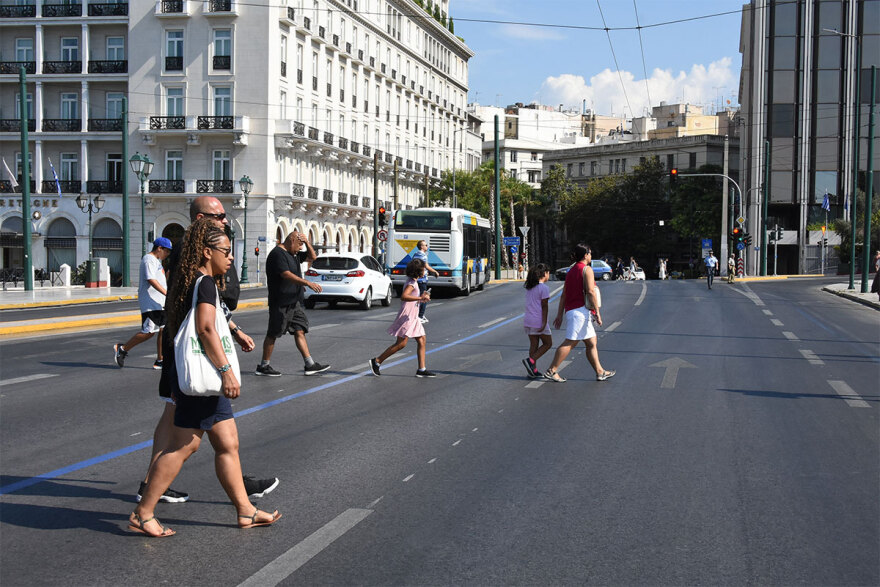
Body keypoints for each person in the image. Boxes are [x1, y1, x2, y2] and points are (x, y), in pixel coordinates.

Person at [129, 220, 281, 537]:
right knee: (184, 447)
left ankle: (245, 511)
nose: (230, 257)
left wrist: (235, 334)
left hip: (204, 380)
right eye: (226, 251)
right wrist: (226, 371)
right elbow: (206, 329)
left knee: (228, 443)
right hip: (206, 381)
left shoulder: (192, 281)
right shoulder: (205, 284)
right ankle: (143, 513)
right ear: (207, 251)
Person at [257, 230, 330, 377]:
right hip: (281, 301)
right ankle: (264, 366)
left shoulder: (294, 254)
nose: (301, 248)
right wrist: (307, 282)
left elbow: (312, 257)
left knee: (299, 330)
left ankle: (309, 364)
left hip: (294, 301)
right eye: (299, 244)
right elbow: (286, 274)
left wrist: (307, 242)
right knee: (274, 333)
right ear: (291, 241)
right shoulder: (277, 254)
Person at [544, 244, 615, 383]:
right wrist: (598, 313)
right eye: (590, 253)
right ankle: (552, 370)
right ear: (585, 255)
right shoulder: (586, 270)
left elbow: (563, 295)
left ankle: (600, 372)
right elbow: (590, 292)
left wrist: (560, 314)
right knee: (571, 342)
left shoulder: (571, 271)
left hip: (573, 311)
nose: (591, 255)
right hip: (581, 312)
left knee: (591, 342)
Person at [369, 258, 436, 378]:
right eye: (423, 269)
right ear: (418, 271)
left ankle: (422, 369)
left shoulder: (413, 281)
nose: (425, 271)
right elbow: (404, 296)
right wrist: (420, 298)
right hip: (407, 317)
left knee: (422, 340)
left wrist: (422, 296)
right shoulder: (412, 283)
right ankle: (377, 361)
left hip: (412, 317)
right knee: (401, 344)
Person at [114, 238, 172, 369]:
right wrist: (166, 293)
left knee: (163, 330)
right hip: (150, 302)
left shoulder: (157, 262)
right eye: (166, 251)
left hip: (159, 302)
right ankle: (122, 349)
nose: (167, 254)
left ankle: (160, 360)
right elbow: (151, 279)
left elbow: (160, 279)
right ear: (159, 248)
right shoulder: (148, 259)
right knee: (149, 332)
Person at [521, 263, 552, 378]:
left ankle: (532, 371)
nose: (549, 275)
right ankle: (531, 361)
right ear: (544, 274)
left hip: (528, 320)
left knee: (534, 345)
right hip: (538, 320)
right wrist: (544, 323)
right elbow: (544, 306)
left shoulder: (530, 287)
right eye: (548, 273)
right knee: (548, 343)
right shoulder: (544, 288)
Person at [412, 240, 439, 324]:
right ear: (421, 247)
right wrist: (435, 272)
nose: (427, 246)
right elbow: (426, 266)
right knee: (424, 297)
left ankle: (419, 315)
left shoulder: (416, 254)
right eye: (425, 245)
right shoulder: (421, 255)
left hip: (418, 279)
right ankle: (420, 315)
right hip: (421, 279)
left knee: (419, 296)